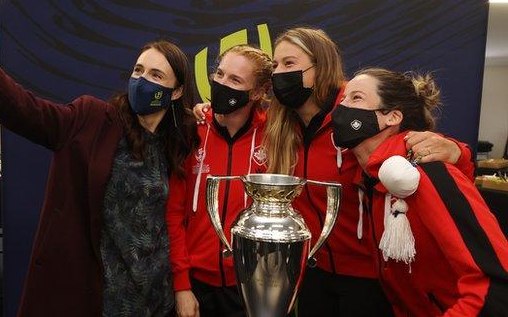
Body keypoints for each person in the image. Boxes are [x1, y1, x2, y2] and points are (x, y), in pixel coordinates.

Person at [0, 0, 198, 317]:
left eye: (156, 76)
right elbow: (15, 106)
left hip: (158, 299)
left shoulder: (183, 139)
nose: (141, 81)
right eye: (138, 70)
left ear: (176, 91)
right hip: (100, 299)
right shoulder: (92, 120)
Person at [195, 26, 473, 316]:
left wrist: (457, 152)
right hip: (311, 271)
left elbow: (409, 141)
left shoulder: (355, 115)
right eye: (275, 65)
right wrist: (207, 112)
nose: (279, 73)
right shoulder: (280, 125)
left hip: (370, 276)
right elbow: (242, 118)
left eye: (290, 64)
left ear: (321, 66)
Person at [332, 67, 508, 316]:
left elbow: (492, 285)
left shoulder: (429, 173)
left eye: (356, 98)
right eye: (343, 100)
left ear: (392, 117)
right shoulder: (369, 179)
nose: (341, 108)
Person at [166, 45, 272, 317]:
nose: (223, 84)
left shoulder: (275, 135)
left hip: (252, 285)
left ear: (258, 92)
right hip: (195, 285)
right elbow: (174, 213)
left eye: (235, 80)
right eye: (220, 75)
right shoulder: (193, 130)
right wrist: (181, 286)